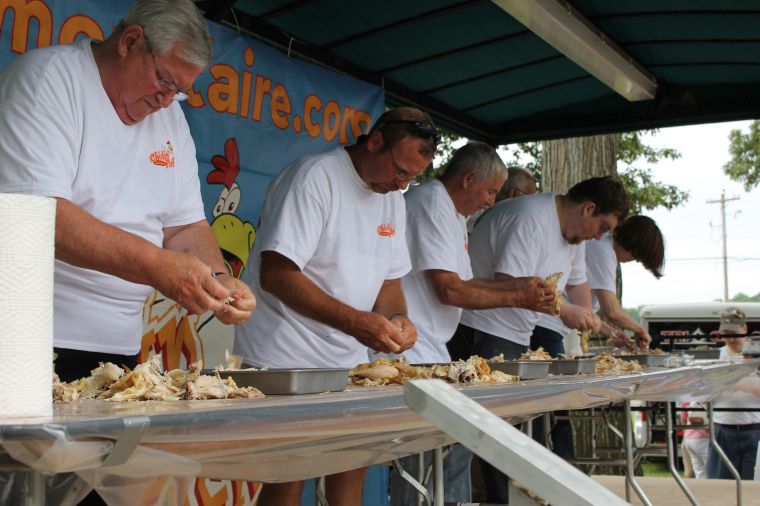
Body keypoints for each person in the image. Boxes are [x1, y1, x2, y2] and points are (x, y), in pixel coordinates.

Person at [0, 0, 255, 383]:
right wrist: (156, 266)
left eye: (180, 92)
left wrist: (219, 278)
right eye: (165, 81)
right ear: (130, 41)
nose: (167, 101)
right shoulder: (50, 79)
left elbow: (185, 226)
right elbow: (39, 214)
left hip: (118, 347)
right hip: (29, 334)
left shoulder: (171, 119)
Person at [234, 107, 437, 506]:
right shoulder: (316, 177)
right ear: (375, 140)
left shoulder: (393, 197)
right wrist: (355, 322)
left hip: (346, 355)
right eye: (399, 170)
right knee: (289, 475)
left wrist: (398, 318)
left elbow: (390, 281)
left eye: (411, 178)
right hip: (284, 355)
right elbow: (276, 275)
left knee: (350, 467)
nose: (401, 184)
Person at [389, 143, 552, 505]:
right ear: (468, 179)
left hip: (430, 347)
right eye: (491, 191)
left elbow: (464, 282)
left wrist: (521, 286)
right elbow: (450, 290)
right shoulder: (431, 202)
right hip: (411, 348)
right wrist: (517, 296)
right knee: (423, 461)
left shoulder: (453, 214)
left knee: (447, 453)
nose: (492, 203)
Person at [453, 175, 629, 503]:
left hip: (518, 334)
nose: (599, 236)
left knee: (520, 430)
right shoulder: (531, 219)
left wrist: (593, 319)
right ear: (589, 208)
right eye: (601, 226)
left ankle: (522, 496)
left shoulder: (575, 237)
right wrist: (567, 313)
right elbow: (513, 285)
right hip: (484, 329)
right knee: (494, 433)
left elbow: (579, 286)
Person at [587, 215, 664, 349]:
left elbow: (583, 310)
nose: (635, 260)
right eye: (638, 257)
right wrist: (640, 329)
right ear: (635, 247)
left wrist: (612, 333)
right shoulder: (603, 254)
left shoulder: (603, 247)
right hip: (549, 325)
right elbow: (612, 311)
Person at [707, 307, 760, 479]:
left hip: (755, 431)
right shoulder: (715, 356)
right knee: (721, 488)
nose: (730, 339)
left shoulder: (757, 354)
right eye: (726, 334)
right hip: (723, 430)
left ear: (744, 328)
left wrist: (740, 384)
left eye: (734, 333)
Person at [465, 165, 537, 233]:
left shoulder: (479, 214)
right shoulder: (502, 222)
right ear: (514, 194)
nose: (532, 205)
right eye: (530, 198)